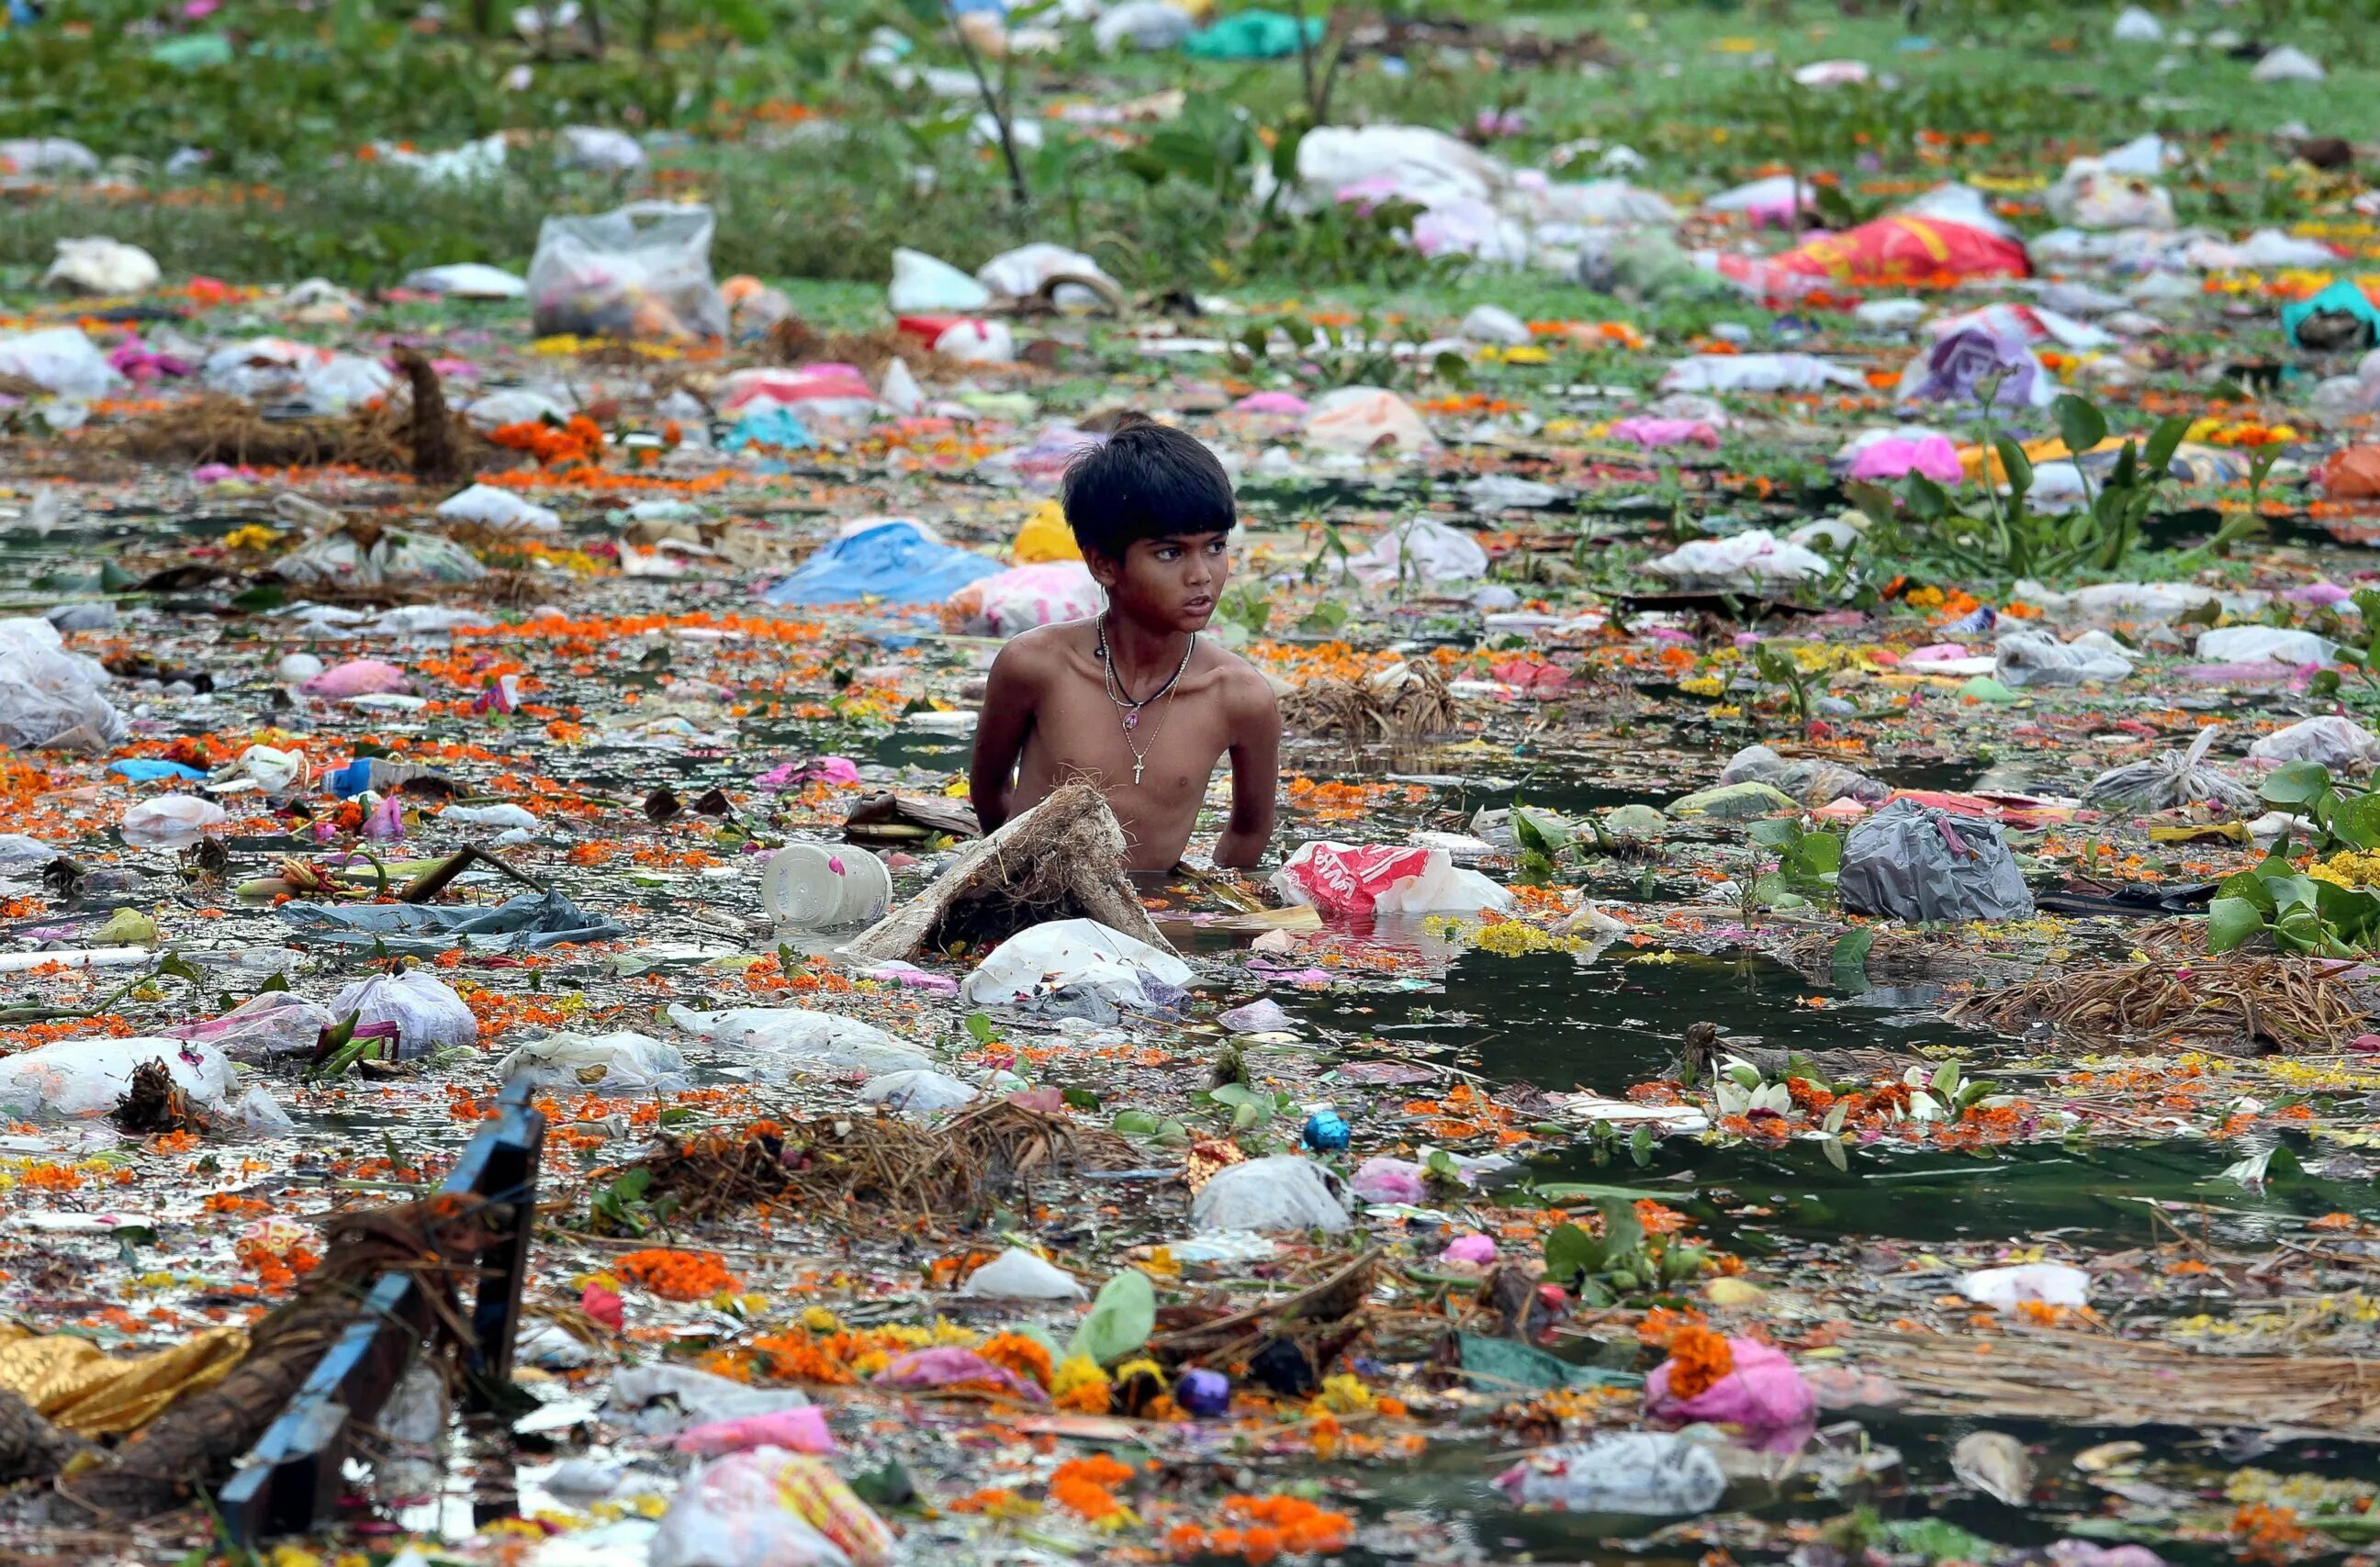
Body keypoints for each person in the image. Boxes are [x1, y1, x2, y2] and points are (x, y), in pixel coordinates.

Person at [970, 415, 1279, 872]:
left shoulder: (1240, 697)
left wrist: (1182, 915)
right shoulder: (1036, 666)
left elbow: (1250, 831)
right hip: (1033, 915)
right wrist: (1019, 883)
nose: (1201, 575)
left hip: (1149, 925)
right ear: (1104, 565)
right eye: (1170, 553)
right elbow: (989, 790)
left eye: (1215, 547)